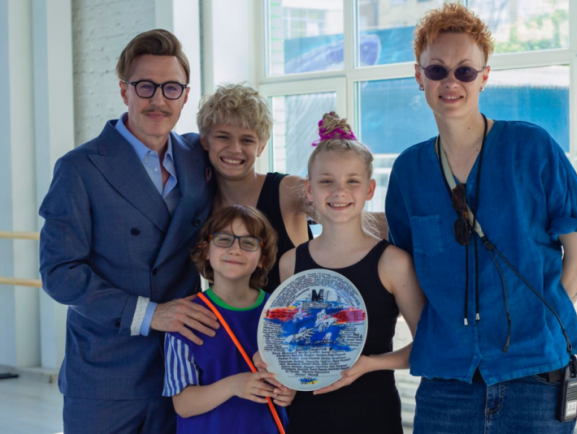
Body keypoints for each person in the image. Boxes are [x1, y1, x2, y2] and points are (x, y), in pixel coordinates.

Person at [385, 4, 577, 433]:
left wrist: (541, 321)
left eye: (465, 71)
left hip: (535, 378)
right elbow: (403, 267)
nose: (451, 82)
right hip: (447, 386)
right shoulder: (409, 170)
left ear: (484, 77)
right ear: (419, 76)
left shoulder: (531, 147)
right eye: (437, 70)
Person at [39, 29, 219, 434]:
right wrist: (151, 314)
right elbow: (60, 273)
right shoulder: (79, 168)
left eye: (171, 88)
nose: (159, 100)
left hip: (181, 370)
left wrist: (307, 197)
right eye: (145, 86)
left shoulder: (198, 158)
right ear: (124, 91)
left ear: (185, 96)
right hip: (105, 376)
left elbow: (244, 186)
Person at [268, 112, 426, 434]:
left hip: (372, 417)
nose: (339, 191)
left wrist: (370, 364)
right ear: (309, 189)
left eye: (352, 181)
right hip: (306, 418)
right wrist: (282, 378)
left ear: (369, 189)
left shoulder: (393, 263)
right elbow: (291, 346)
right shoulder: (289, 263)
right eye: (326, 181)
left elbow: (428, 346)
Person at [163, 205, 293, 433]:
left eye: (248, 243)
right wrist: (233, 386)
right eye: (224, 240)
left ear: (262, 258)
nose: (235, 249)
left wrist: (290, 391)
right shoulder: (185, 316)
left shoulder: (280, 312)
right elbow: (183, 405)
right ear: (206, 250)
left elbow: (293, 376)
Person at [196, 83, 312, 293]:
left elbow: (345, 213)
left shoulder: (287, 189)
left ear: (262, 147)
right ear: (204, 140)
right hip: (226, 315)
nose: (234, 149)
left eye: (247, 140)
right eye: (223, 136)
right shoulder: (200, 205)